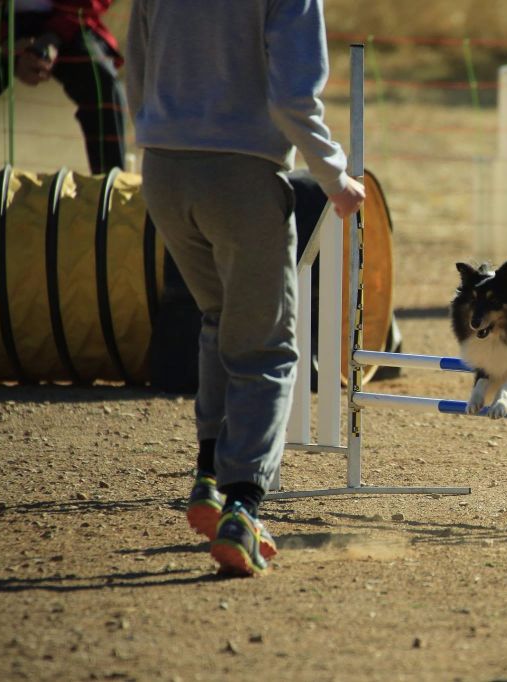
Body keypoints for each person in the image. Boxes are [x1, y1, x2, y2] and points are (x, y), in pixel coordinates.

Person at [125, 0, 365, 577]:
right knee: (266, 347)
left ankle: (209, 476)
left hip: (162, 168)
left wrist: (153, 136)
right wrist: (334, 176)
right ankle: (243, 508)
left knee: (219, 316)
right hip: (240, 174)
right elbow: (291, 96)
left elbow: (135, 64)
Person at [0, 0, 126, 173]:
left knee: (103, 86)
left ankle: (110, 189)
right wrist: (3, 38)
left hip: (70, 19)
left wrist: (55, 35)